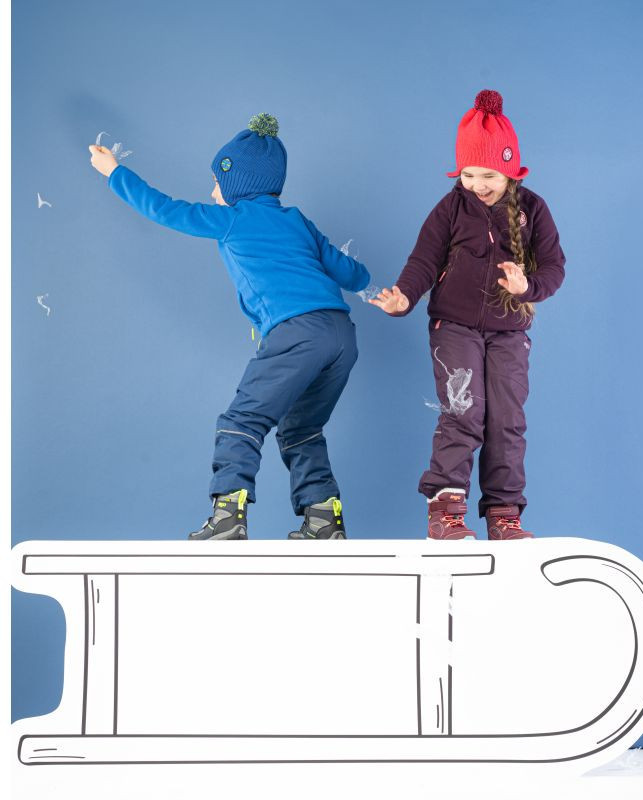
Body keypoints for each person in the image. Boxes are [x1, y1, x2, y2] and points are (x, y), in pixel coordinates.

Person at [89, 113, 369, 540]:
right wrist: (373, 285)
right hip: (341, 335)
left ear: (237, 183)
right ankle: (324, 519)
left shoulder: (233, 218)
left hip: (296, 332)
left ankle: (228, 518)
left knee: (243, 418)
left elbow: (164, 209)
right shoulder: (297, 220)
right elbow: (350, 273)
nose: (212, 192)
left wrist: (114, 172)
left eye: (216, 183)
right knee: (302, 428)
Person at [371, 90, 565, 540]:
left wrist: (527, 287)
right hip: (454, 327)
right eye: (468, 174)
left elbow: (554, 267)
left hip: (509, 332)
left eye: (489, 175)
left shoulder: (533, 209)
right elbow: (424, 260)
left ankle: (503, 512)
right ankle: (446, 509)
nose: (478, 184)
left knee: (507, 419)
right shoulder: (451, 208)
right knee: (463, 411)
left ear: (511, 170)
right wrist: (404, 297)